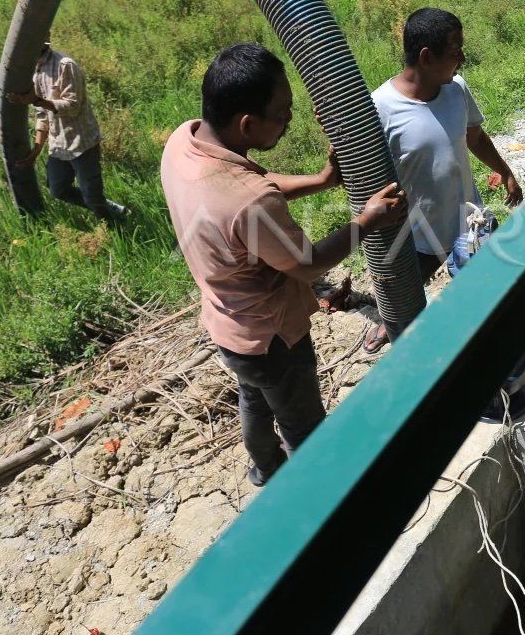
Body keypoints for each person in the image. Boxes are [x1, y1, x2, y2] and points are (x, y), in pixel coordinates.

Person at [160, 43, 406, 486]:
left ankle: (265, 468)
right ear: (247, 123)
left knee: (253, 399)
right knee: (303, 427)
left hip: (229, 328)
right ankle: (320, 503)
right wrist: (369, 219)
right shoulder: (247, 201)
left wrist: (321, 180)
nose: (289, 119)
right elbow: (309, 264)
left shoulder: (186, 140)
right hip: (273, 338)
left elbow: (253, 184)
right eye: (283, 112)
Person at [362, 7, 523, 353]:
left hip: (467, 219)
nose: (462, 57)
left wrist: (506, 170)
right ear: (425, 56)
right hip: (415, 232)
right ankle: (387, 324)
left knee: (486, 291)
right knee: (401, 297)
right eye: (455, 49)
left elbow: (475, 137)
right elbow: (364, 178)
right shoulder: (381, 109)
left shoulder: (456, 88)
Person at [8, 40, 127, 219]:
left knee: (92, 194)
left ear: (45, 35)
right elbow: (42, 115)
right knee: (57, 189)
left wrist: (37, 100)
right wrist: (36, 151)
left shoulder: (65, 66)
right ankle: (109, 208)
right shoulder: (33, 70)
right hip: (59, 146)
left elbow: (72, 107)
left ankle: (114, 225)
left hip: (82, 143)